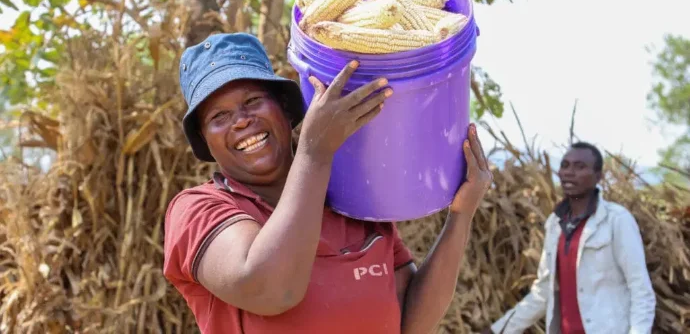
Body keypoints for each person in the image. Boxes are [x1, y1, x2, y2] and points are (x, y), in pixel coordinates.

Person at [162, 32, 493, 333]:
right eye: (219, 117)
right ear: (205, 141)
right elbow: (271, 290)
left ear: (285, 110)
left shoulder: (352, 201)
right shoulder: (198, 210)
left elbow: (411, 324)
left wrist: (460, 216)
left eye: (252, 102)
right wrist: (314, 153)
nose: (241, 121)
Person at [484, 142, 656, 334]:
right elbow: (543, 293)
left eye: (580, 167)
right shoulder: (555, 224)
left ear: (598, 176)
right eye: (565, 166)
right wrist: (497, 331)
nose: (569, 172)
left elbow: (640, 291)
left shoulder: (616, 220)